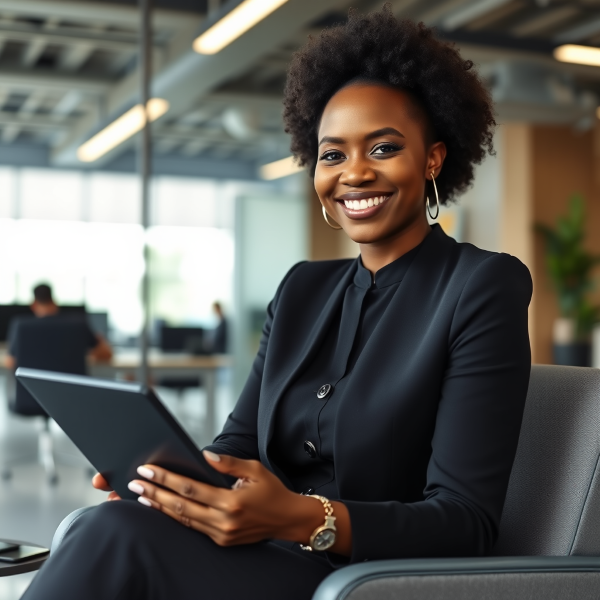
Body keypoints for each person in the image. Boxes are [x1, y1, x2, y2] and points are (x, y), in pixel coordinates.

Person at [22, 7, 532, 600]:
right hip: (260, 555)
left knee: (113, 538)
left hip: (368, 579)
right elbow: (237, 444)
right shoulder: (302, 290)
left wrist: (298, 517)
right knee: (105, 522)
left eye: (384, 148)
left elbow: (465, 524)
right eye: (333, 154)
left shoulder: (482, 285)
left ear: (434, 159)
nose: (354, 174)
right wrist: (178, 480)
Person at [4, 283, 112, 371]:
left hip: (32, 395)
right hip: (71, 394)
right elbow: (106, 354)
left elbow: (10, 362)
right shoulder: (78, 325)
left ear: (34, 304)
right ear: (54, 302)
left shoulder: (21, 326)